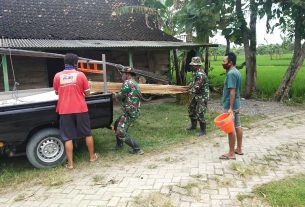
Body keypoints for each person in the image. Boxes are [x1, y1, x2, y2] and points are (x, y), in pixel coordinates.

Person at [53, 53, 98, 169]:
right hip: (80, 108)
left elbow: (57, 92)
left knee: (67, 137)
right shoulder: (80, 75)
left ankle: (71, 164)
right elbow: (87, 93)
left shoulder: (57, 76)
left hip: (64, 109)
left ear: (65, 63)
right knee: (87, 133)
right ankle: (92, 157)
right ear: (75, 63)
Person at [113, 66, 144, 154]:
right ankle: (119, 145)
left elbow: (120, 96)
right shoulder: (134, 82)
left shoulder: (127, 82)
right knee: (116, 124)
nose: (122, 75)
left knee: (120, 131)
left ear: (127, 74)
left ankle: (137, 148)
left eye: (123, 73)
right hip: (134, 110)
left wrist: (115, 95)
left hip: (129, 112)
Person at [219, 52, 243, 160]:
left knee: (230, 129)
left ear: (230, 62)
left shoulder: (231, 74)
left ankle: (231, 153)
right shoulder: (237, 72)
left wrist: (230, 108)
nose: (223, 63)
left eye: (224, 61)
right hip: (237, 104)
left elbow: (232, 91)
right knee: (238, 125)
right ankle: (239, 149)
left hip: (231, 105)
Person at [186, 57, 209, 136]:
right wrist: (187, 87)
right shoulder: (195, 73)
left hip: (202, 96)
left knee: (200, 112)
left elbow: (196, 87)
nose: (191, 66)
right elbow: (192, 83)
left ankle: (203, 130)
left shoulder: (200, 74)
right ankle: (193, 126)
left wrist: (189, 91)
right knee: (191, 108)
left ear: (197, 65)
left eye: (193, 65)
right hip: (197, 94)